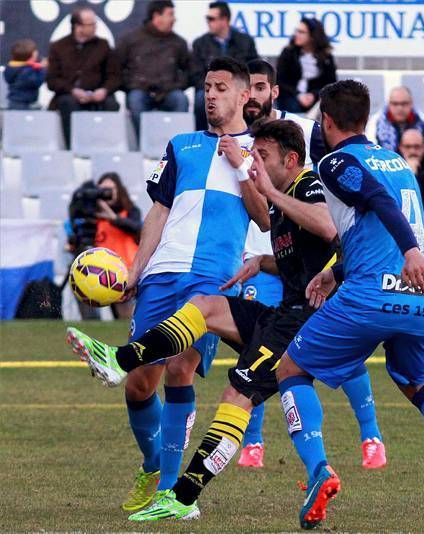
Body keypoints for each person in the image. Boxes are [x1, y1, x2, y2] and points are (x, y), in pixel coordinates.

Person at [67, 119, 340, 522]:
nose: (255, 165)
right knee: (208, 307)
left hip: (304, 324)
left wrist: (265, 192)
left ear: (292, 159)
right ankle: (120, 361)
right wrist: (263, 262)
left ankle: (183, 495)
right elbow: (307, 262)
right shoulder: (283, 199)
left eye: (262, 158)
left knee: (236, 398)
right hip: (285, 313)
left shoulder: (305, 185)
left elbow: (328, 226)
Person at [67, 56, 269, 514]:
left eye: (220, 87)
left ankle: (173, 495)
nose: (211, 95)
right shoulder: (182, 146)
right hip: (162, 271)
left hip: (213, 277)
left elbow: (263, 215)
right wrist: (136, 270)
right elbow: (159, 211)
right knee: (138, 384)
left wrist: (240, 167)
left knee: (180, 368)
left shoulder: (258, 150)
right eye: (207, 87)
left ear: (243, 95)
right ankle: (154, 464)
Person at [272, 80, 424, 530]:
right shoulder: (396, 159)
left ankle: (319, 469)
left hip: (372, 296)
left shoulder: (337, 161)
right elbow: (374, 222)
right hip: (418, 301)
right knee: (417, 383)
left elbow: (376, 202)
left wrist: (412, 250)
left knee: (290, 370)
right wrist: (334, 272)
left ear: (328, 121)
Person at [231, 58, 386, 471]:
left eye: (261, 88)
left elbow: (323, 206)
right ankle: (254, 443)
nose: (254, 97)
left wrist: (336, 267)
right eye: (248, 90)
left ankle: (369, 435)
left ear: (272, 92)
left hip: (311, 263)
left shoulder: (300, 135)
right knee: (262, 352)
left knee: (304, 361)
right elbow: (262, 213)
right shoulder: (230, 142)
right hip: (270, 255)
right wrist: (259, 258)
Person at [46, 6, 121, 146]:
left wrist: (104, 90)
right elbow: (52, 80)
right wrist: (72, 90)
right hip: (69, 94)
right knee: (68, 103)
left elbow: (114, 76)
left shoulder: (103, 46)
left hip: (98, 94)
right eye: (91, 24)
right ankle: (73, 146)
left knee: (111, 104)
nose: (95, 27)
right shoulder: (58, 47)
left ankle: (107, 144)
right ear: (78, 26)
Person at [117, 0, 191, 136]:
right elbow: (117, 69)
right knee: (135, 99)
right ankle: (145, 145)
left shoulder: (178, 43)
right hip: (140, 91)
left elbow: (188, 70)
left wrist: (177, 85)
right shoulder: (130, 40)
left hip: (169, 92)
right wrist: (131, 85)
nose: (174, 19)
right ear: (157, 16)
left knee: (180, 99)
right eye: (170, 14)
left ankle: (178, 146)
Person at [190, 1, 258, 131]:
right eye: (207, 18)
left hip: (237, 86)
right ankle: (202, 136)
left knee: (252, 95)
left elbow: (253, 70)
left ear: (224, 20)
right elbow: (195, 74)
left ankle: (250, 136)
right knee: (200, 98)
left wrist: (235, 87)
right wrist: (214, 88)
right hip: (211, 87)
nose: (208, 22)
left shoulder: (245, 41)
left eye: (212, 19)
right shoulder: (200, 43)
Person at [93, 172, 142, 319]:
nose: (107, 194)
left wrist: (113, 218)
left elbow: (137, 228)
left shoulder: (129, 211)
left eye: (111, 189)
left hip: (126, 270)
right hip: (100, 272)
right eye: (103, 190)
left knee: (126, 315)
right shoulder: (93, 216)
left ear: (119, 190)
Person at [276, 17, 337, 114]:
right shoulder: (288, 52)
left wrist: (314, 95)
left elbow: (331, 82)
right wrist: (299, 95)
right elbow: (280, 80)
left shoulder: (326, 56)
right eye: (297, 31)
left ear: (313, 36)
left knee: (326, 106)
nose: (296, 34)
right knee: (292, 105)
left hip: (316, 97)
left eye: (301, 32)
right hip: (291, 96)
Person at [367, 86, 424, 153]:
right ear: (389, 104)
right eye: (395, 104)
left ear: (411, 103)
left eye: (404, 103)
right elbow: (370, 152)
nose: (400, 108)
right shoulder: (376, 122)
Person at [4, 39, 46, 110]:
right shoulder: (27, 71)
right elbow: (37, 81)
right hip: (25, 103)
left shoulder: (11, 67)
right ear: (31, 55)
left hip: (14, 101)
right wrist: (43, 69)